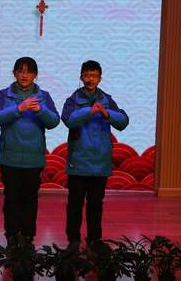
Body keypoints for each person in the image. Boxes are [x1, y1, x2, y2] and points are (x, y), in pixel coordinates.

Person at [0, 56, 59, 246]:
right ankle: (11, 234)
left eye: (28, 71)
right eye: (20, 71)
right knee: (11, 198)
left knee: (30, 199)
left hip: (33, 157)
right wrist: (18, 108)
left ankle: (28, 235)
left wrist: (40, 110)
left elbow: (54, 122)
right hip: (10, 156)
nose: (24, 75)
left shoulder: (44, 96)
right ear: (14, 73)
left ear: (35, 75)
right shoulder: (3, 94)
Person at [61, 60, 129, 249]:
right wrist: (89, 111)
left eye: (94, 76)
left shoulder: (107, 99)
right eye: (87, 75)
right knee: (74, 205)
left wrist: (107, 114)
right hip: (78, 162)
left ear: (100, 78)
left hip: (100, 163)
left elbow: (123, 121)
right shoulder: (73, 100)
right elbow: (68, 120)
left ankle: (94, 240)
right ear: (81, 77)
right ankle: (73, 240)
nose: (91, 79)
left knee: (96, 205)